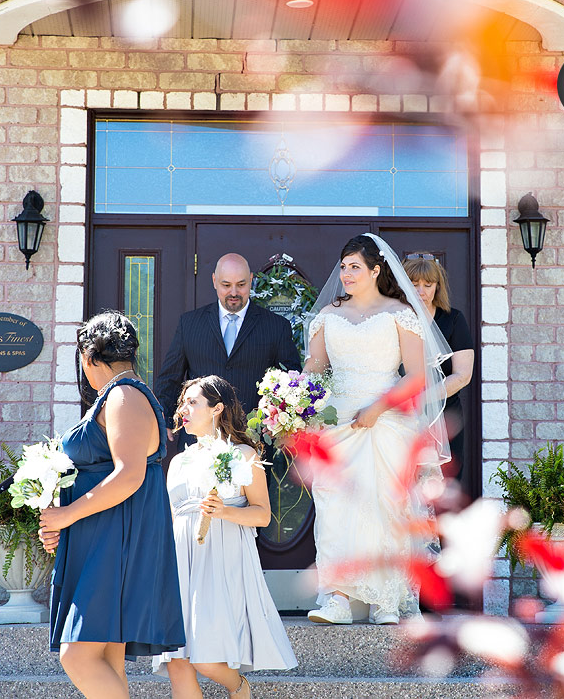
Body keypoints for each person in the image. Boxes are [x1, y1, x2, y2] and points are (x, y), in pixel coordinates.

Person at [302, 234, 451, 625]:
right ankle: (335, 598)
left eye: (355, 267)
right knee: (335, 508)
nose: (346, 274)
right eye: (344, 266)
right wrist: (289, 402)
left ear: (376, 270)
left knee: (387, 508)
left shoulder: (400, 314)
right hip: (338, 423)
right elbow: (314, 370)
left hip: (388, 421)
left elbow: (418, 377)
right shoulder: (327, 317)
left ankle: (387, 599)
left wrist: (379, 407)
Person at [39, 311, 185, 699]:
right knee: (106, 658)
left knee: (78, 656)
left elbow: (129, 475)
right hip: (102, 535)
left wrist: (68, 514)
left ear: (88, 357)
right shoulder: (119, 395)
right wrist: (62, 521)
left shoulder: (124, 396)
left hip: (116, 539)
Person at [154, 375, 298, 699]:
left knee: (206, 659)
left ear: (217, 408)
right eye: (182, 403)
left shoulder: (244, 454)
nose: (182, 410)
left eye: (192, 402)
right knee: (178, 662)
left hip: (220, 559)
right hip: (180, 561)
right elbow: (172, 516)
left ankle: (240, 688)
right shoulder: (177, 462)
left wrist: (224, 511)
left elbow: (262, 514)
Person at [156, 253, 302, 448]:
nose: (234, 292)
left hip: (253, 440)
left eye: (241, 285)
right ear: (214, 281)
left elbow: (291, 381)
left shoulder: (276, 326)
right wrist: (164, 420)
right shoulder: (189, 324)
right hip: (198, 437)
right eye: (226, 285)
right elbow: (170, 379)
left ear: (251, 280)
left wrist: (281, 422)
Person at [404, 254, 475, 485]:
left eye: (427, 285)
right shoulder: (395, 320)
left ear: (437, 286)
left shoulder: (453, 319)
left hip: (446, 416)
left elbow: (463, 375)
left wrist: (424, 399)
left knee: (445, 484)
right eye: (413, 284)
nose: (420, 291)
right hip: (401, 415)